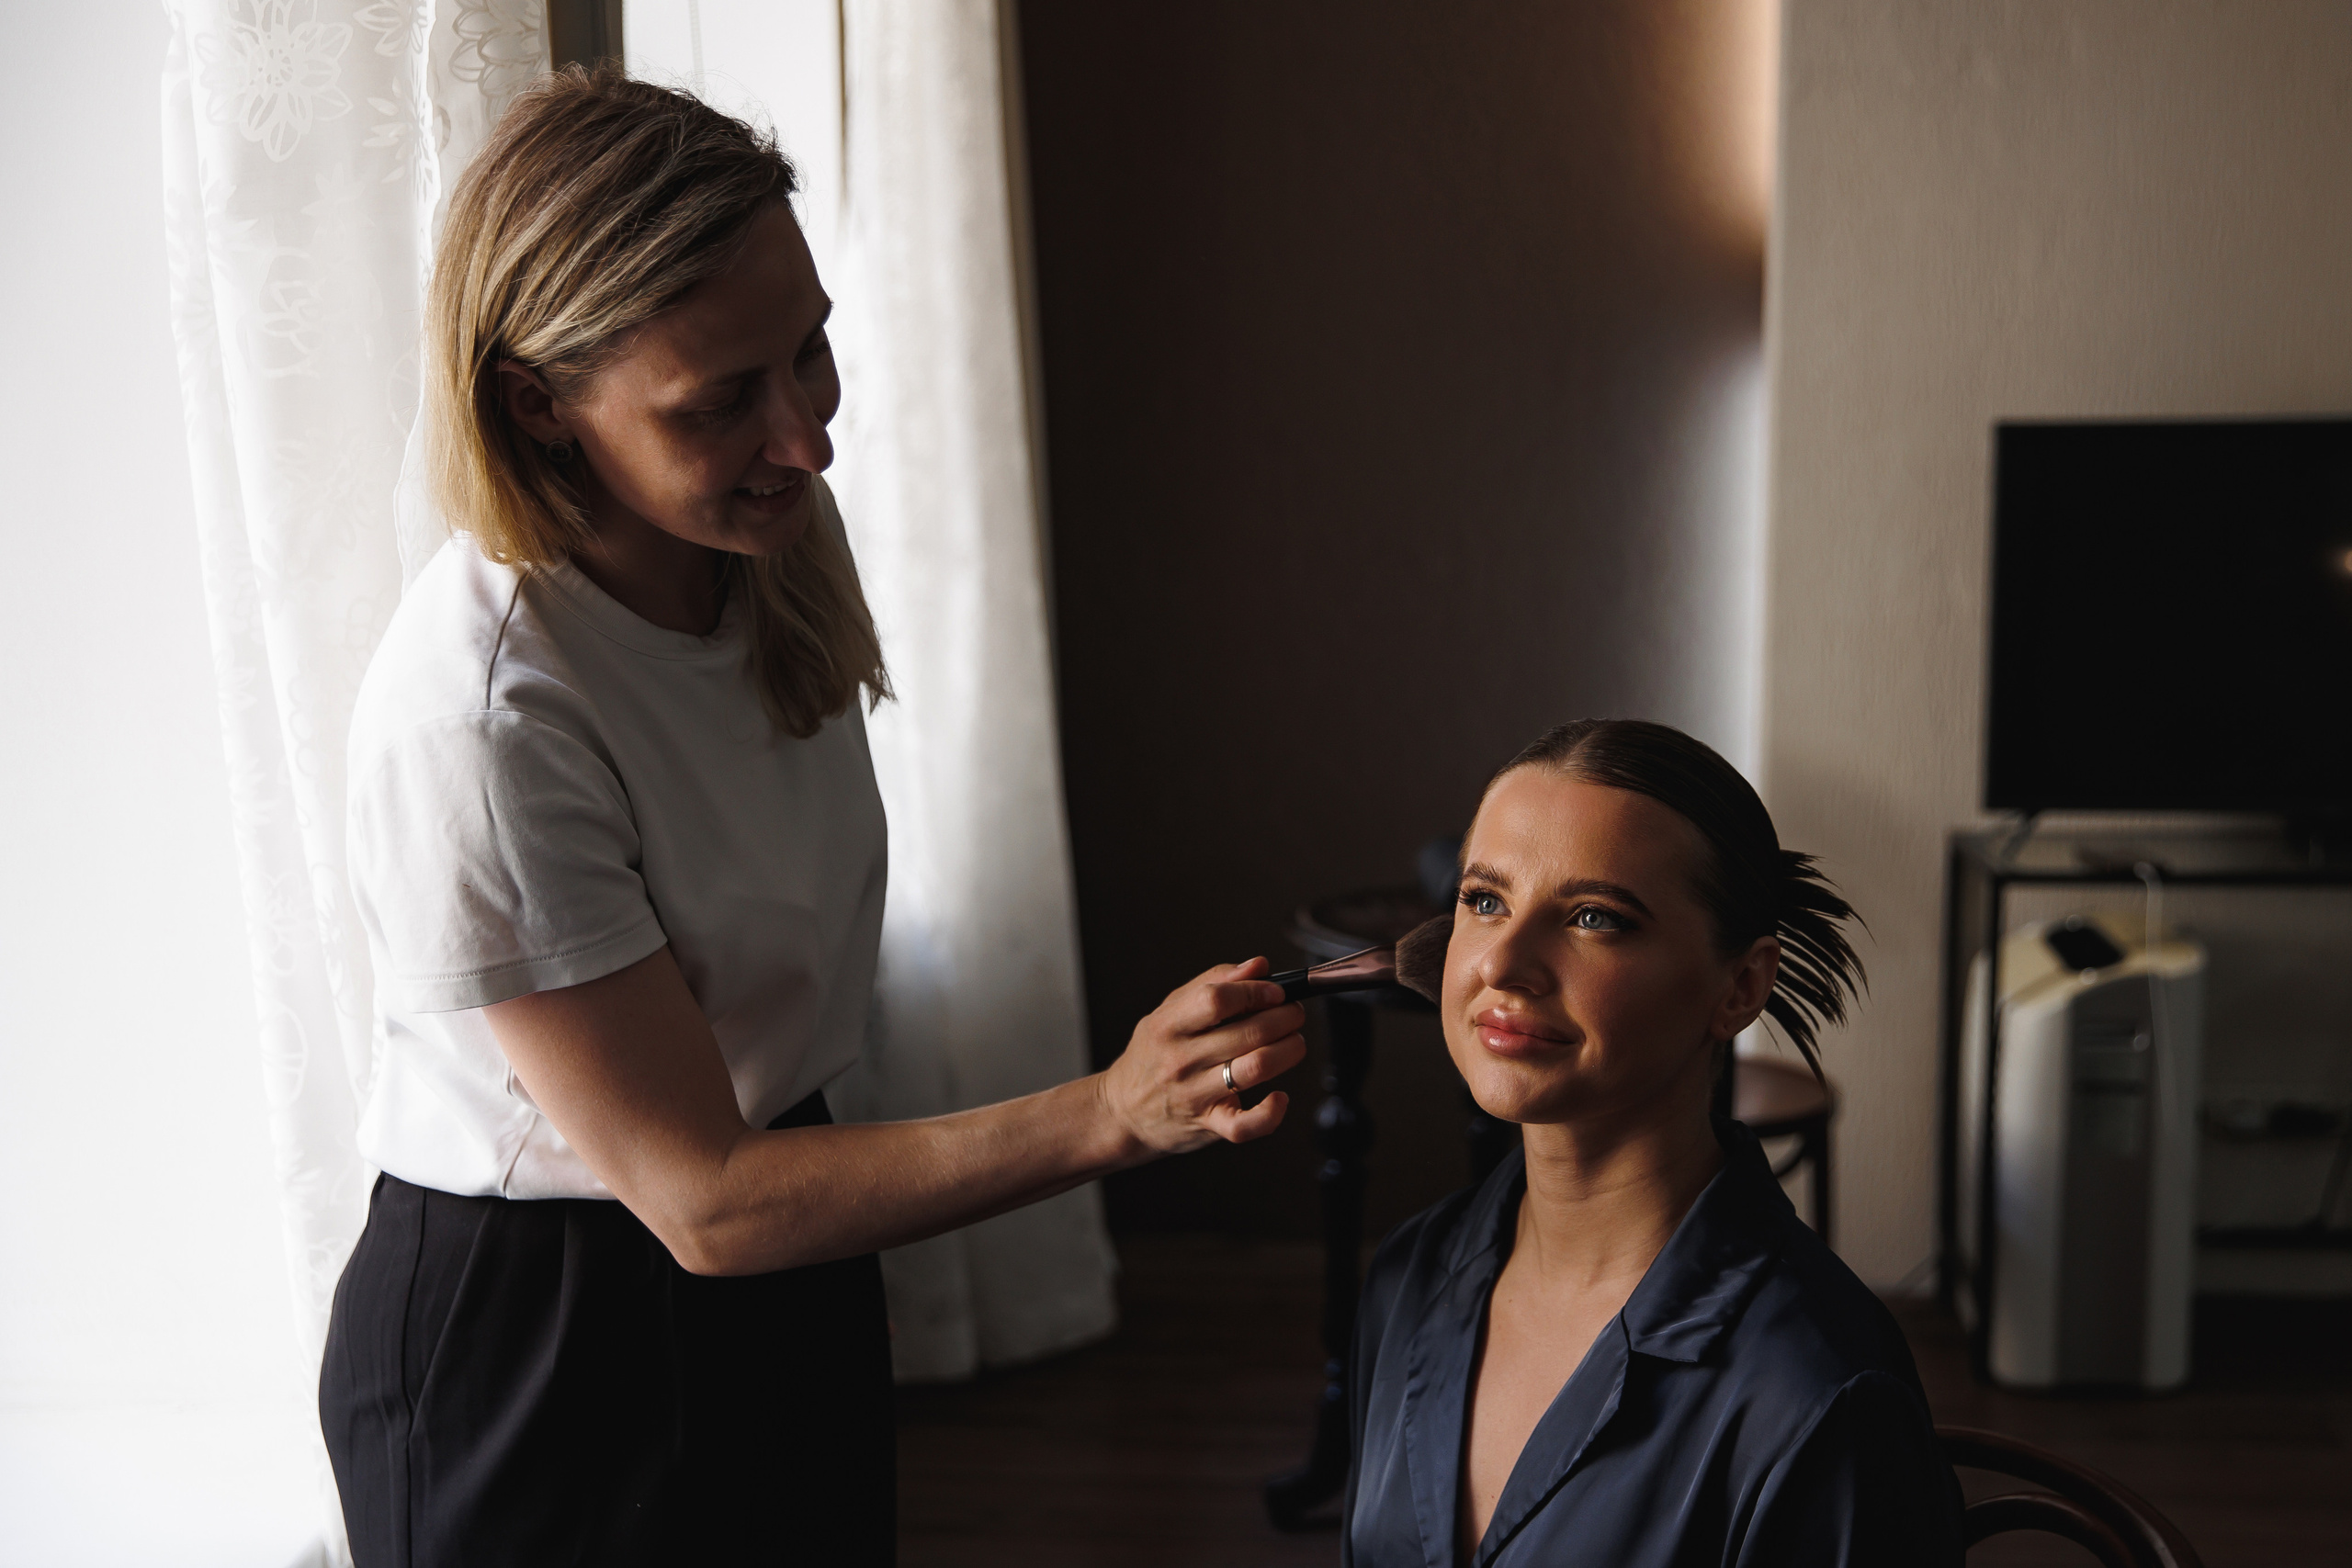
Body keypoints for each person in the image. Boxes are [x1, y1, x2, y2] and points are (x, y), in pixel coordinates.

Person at [319, 68, 1306, 1566]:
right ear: (537, 403)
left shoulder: (758, 536)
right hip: (547, 1333)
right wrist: (1112, 1108)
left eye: (812, 354)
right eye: (721, 401)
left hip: (783, 1243)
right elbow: (701, 1200)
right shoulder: (486, 721)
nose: (807, 441)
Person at [1344, 720, 1963, 1566]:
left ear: (1740, 985)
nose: (1503, 963)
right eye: (1485, 900)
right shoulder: (1408, 1275)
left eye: (1595, 917)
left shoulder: (1819, 1389)